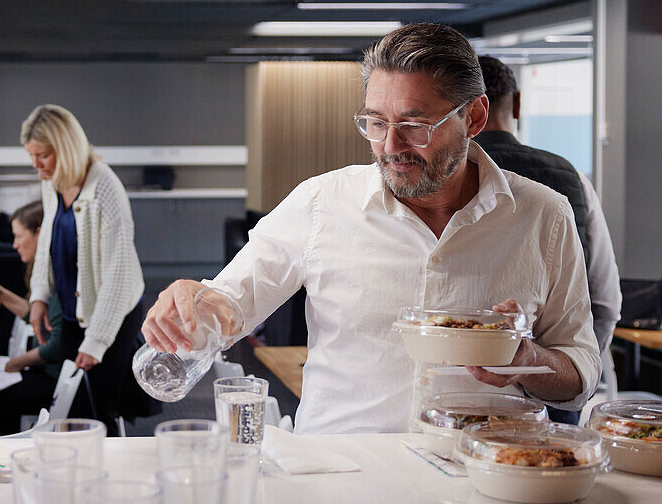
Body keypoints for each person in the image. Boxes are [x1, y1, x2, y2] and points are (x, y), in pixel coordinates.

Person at [144, 23, 600, 434]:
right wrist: (192, 305)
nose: (389, 146)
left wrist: (526, 361)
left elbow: (579, 372)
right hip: (341, 482)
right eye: (375, 122)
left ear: (474, 118)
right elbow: (228, 306)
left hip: (481, 481)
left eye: (415, 125)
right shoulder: (320, 203)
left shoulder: (544, 216)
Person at [474, 56, 621, 358]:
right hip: (556, 375)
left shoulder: (444, 178)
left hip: (472, 370)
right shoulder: (572, 177)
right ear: (516, 105)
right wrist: (582, 367)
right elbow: (605, 300)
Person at [22, 104, 157, 430]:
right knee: (70, 408)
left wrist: (97, 341)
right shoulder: (53, 181)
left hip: (113, 314)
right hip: (73, 311)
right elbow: (47, 244)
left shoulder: (105, 189)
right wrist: (38, 297)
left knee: (99, 411)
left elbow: (118, 275)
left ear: (65, 149)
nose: (36, 165)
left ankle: (110, 476)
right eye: (32, 155)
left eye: (42, 155)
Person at [0, 201, 65, 435]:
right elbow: (36, 317)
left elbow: (58, 346)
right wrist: (1, 294)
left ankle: (8, 445)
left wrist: (15, 363)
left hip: (52, 380)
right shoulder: (47, 270)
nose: (14, 244)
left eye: (18, 236)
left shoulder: (59, 275)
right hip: (43, 372)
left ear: (39, 233)